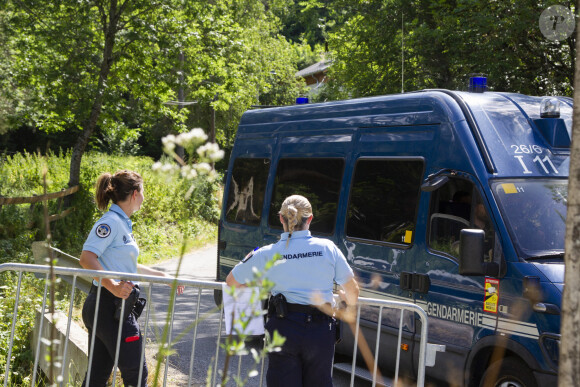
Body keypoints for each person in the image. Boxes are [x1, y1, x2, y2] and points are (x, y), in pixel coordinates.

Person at [226, 194, 359, 387]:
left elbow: (232, 282)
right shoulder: (328, 248)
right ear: (310, 219)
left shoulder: (266, 252)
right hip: (321, 331)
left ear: (281, 218)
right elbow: (353, 291)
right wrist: (347, 301)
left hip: (284, 328)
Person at [79, 170, 184, 387]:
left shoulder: (122, 223)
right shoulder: (111, 222)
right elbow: (87, 257)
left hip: (107, 308)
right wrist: (114, 286)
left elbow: (126, 265)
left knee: (97, 377)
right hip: (110, 307)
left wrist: (163, 276)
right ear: (135, 193)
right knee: (136, 374)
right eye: (143, 192)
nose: (144, 198)